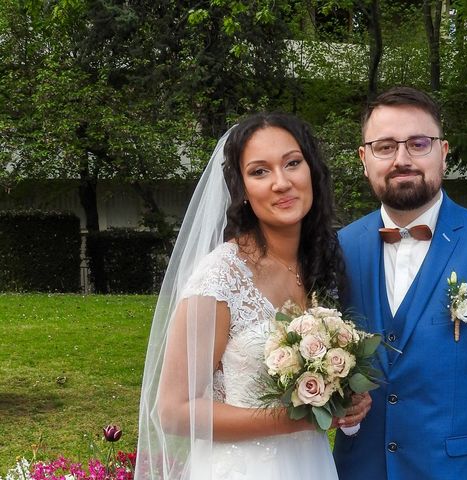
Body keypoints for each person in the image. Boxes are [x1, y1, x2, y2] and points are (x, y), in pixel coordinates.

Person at [135, 112, 369, 480]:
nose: (281, 182)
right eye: (260, 171)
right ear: (242, 190)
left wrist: (345, 398)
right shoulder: (220, 277)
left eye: (292, 163)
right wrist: (298, 418)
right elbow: (174, 411)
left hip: (311, 465)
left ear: (312, 172)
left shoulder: (322, 266)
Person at [333, 87, 467, 479]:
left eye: (418, 143)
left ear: (444, 152)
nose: (402, 159)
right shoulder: (341, 249)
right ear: (364, 159)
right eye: (384, 147)